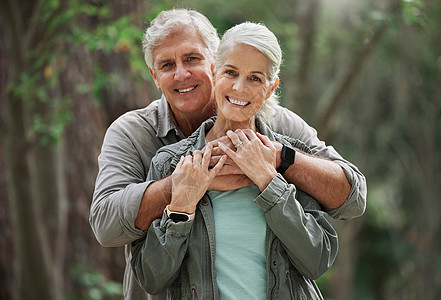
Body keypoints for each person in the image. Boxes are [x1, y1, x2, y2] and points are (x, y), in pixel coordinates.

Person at [90, 8, 366, 300]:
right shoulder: (136, 136)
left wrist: (278, 160)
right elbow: (106, 226)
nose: (181, 74)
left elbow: (352, 200)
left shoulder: (278, 126)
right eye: (167, 65)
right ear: (155, 77)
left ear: (213, 60)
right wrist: (186, 184)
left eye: (191, 58)